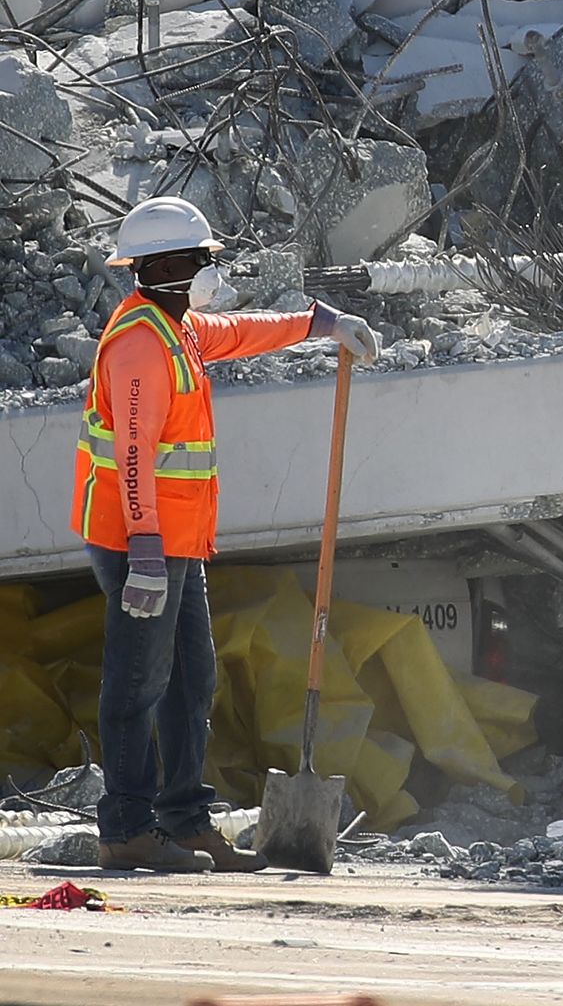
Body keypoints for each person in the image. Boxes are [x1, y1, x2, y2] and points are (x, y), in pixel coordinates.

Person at [70, 196, 380, 872]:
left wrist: (322, 323)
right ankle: (126, 828)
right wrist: (146, 552)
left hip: (175, 542)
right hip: (137, 544)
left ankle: (183, 821)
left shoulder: (178, 329)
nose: (204, 271)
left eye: (203, 259)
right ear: (161, 270)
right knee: (138, 683)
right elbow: (131, 457)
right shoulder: (139, 347)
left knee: (191, 679)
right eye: (196, 262)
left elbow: (239, 331)